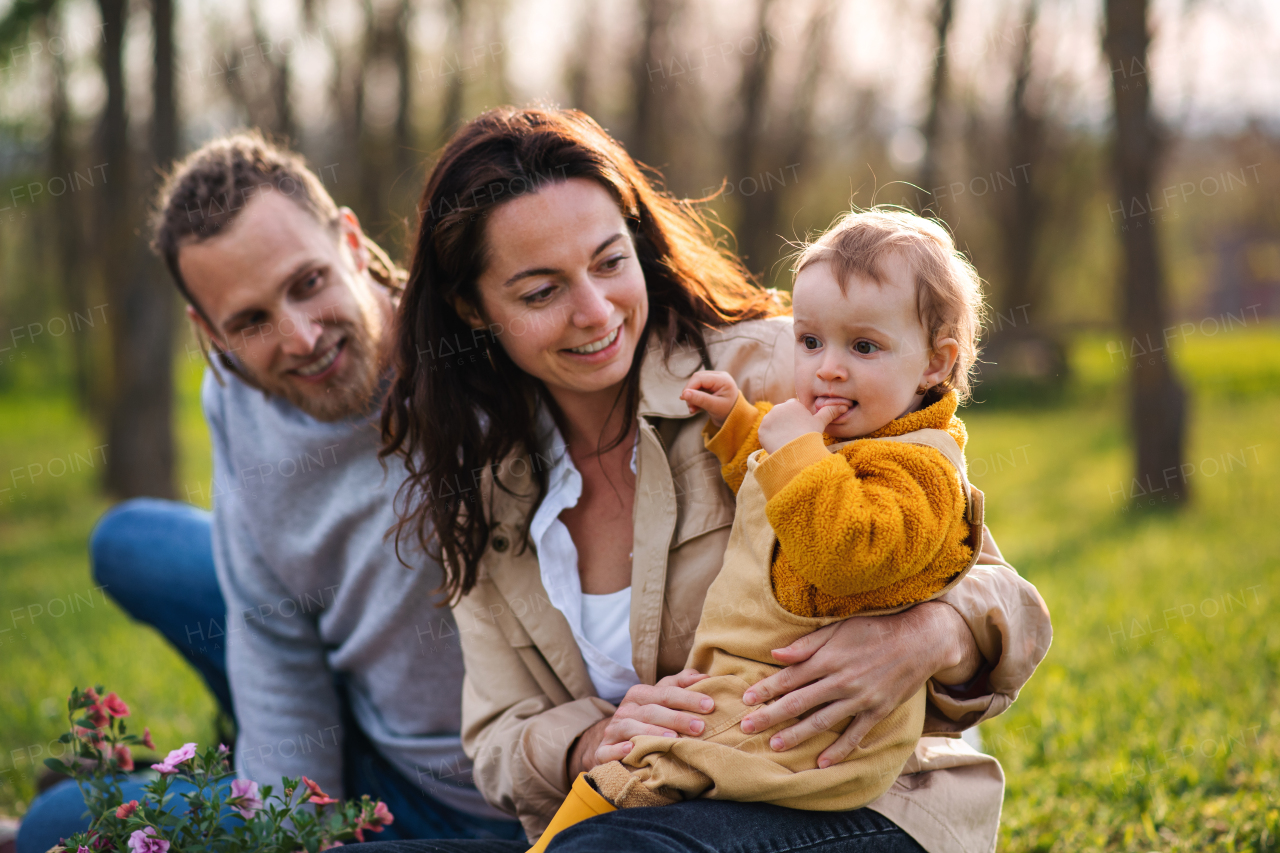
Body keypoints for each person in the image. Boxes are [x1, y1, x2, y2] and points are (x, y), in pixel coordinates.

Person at [361, 106, 1053, 853]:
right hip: (641, 807)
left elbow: (1006, 596)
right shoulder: (486, 489)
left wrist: (927, 634)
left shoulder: (781, 372)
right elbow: (498, 735)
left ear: (636, 241)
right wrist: (589, 741)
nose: (595, 312)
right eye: (540, 292)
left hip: (861, 804)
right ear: (473, 310)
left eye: (608, 262)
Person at [15, 133, 522, 853]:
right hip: (354, 711)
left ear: (349, 241)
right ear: (209, 335)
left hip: (478, 795)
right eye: (251, 321)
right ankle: (245, 765)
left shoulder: (475, 354)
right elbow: (268, 622)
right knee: (130, 542)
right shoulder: (237, 393)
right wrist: (297, 822)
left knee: (51, 827)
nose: (301, 337)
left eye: (308, 281)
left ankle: (214, 776)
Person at [531, 206, 995, 850]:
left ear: (935, 365)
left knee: (635, 777)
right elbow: (772, 492)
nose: (828, 367)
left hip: (801, 723)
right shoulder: (841, 435)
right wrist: (739, 426)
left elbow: (848, 552)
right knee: (627, 778)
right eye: (810, 342)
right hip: (753, 687)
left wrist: (796, 451)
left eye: (863, 346)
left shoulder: (920, 469)